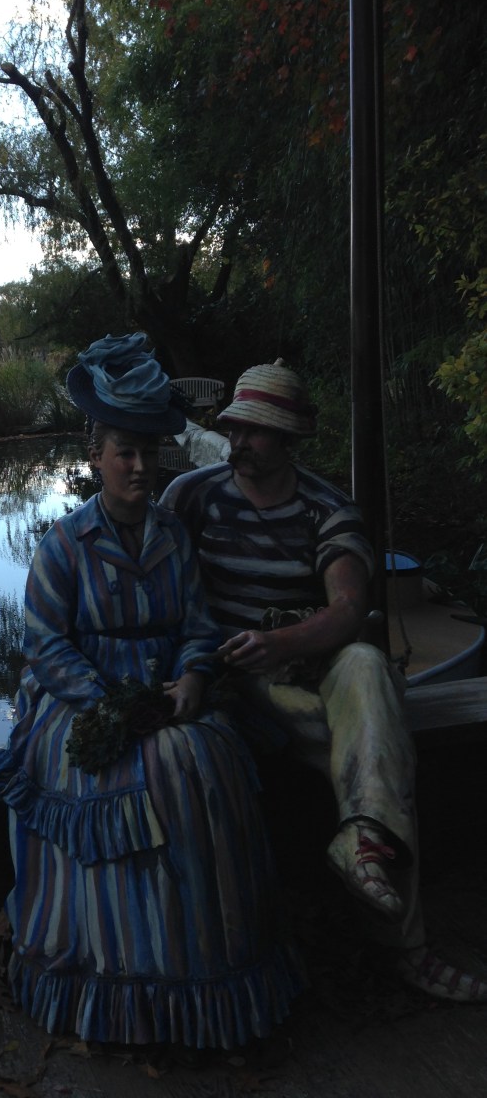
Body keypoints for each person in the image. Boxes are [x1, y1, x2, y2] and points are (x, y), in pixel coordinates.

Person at [0, 334, 304, 1053]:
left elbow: (198, 626)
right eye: (125, 453)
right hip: (80, 701)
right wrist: (107, 700)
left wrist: (194, 677)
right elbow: (44, 644)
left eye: (148, 453)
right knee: (128, 770)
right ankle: (114, 979)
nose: (140, 467)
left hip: (167, 690)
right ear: (96, 457)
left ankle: (206, 976)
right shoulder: (64, 544)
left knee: (205, 760)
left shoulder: (173, 539)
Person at [160, 358, 487, 1002]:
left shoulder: (327, 509)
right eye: (236, 427)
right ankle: (396, 927)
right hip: (230, 682)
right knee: (380, 753)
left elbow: (347, 609)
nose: (239, 441)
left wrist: (279, 641)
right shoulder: (193, 497)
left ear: (288, 439)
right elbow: (157, 582)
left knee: (366, 665)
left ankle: (366, 850)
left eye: (255, 430)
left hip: (306, 674)